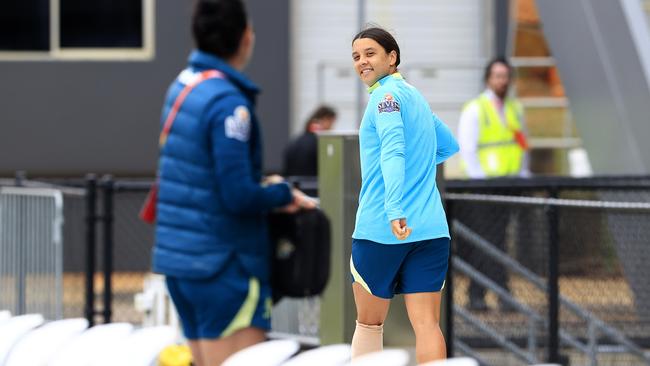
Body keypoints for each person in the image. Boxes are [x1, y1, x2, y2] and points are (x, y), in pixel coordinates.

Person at [151, 1, 314, 365]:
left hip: (181, 263)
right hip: (224, 266)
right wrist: (281, 193)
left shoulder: (181, 88)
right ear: (245, 38)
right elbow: (237, 193)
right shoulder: (228, 103)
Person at [349, 27, 459, 363]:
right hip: (431, 230)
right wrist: (418, 168)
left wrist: (395, 207)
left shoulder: (384, 98)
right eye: (356, 56)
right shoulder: (415, 97)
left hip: (382, 228)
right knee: (427, 325)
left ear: (392, 57)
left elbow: (394, 149)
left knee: (369, 324)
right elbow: (448, 145)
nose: (362, 62)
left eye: (370, 53)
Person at [456, 57, 529, 311]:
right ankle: (494, 295)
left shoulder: (514, 108)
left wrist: (523, 174)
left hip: (508, 183)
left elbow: (521, 144)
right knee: (488, 242)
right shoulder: (476, 108)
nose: (502, 81)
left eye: (505, 76)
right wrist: (478, 180)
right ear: (488, 79)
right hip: (483, 185)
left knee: (496, 242)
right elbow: (467, 148)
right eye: (498, 76)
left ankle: (484, 295)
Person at [283, 105, 337, 177]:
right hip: (313, 186)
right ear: (325, 119)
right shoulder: (321, 144)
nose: (332, 128)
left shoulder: (296, 141)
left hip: (294, 185)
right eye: (331, 123)